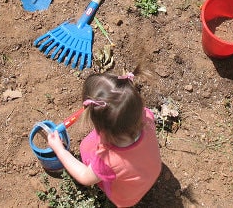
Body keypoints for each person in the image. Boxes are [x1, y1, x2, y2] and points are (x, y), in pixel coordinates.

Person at [47, 68, 162, 207]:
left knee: (99, 174)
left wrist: (60, 150)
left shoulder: (108, 160)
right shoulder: (147, 117)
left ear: (103, 130)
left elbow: (85, 176)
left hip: (127, 197)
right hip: (149, 173)